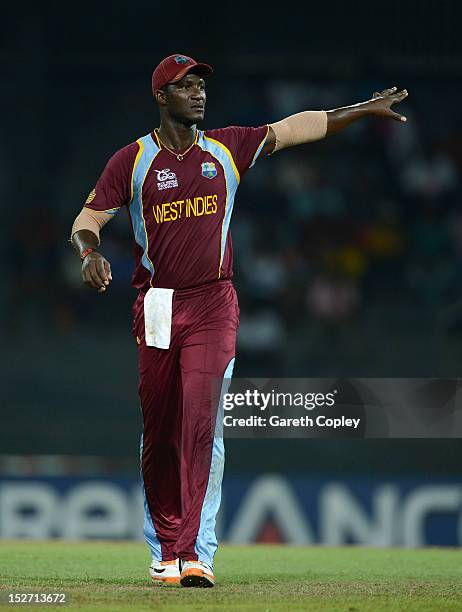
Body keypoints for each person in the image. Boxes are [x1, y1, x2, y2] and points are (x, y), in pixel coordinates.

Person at [70, 53, 408, 588]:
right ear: (162, 97)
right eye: (186, 86)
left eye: (202, 85)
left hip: (213, 302)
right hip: (157, 304)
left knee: (202, 423)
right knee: (159, 432)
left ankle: (196, 554)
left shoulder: (227, 148)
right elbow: (88, 220)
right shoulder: (132, 161)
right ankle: (165, 547)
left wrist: (364, 109)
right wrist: (89, 253)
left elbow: (295, 128)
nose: (199, 93)